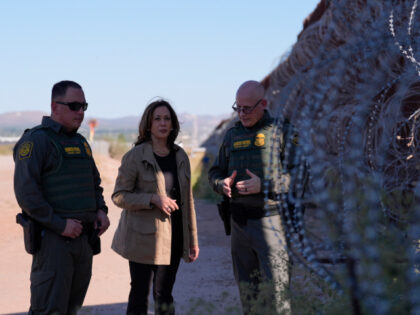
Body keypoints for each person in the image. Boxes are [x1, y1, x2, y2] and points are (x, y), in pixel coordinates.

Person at [13, 80, 110, 314]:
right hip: (54, 241)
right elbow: (27, 194)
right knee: (48, 309)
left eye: (84, 106)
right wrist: (60, 224)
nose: (80, 112)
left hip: (84, 241)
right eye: (74, 105)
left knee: (71, 309)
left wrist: (101, 210)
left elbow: (94, 182)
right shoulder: (37, 141)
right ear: (55, 106)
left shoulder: (80, 142)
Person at [208, 80, 297, 314]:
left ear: (264, 104)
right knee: (249, 297)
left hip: (272, 224)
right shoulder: (232, 135)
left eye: (247, 108)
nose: (242, 113)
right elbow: (216, 171)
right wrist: (221, 184)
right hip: (239, 225)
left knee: (277, 298)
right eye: (238, 108)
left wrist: (264, 185)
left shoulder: (282, 132)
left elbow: (300, 177)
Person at [111, 99, 199, 315]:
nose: (162, 123)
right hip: (143, 238)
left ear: (173, 123)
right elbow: (119, 196)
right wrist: (152, 199)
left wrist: (192, 239)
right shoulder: (134, 157)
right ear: (148, 124)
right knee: (140, 294)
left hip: (175, 236)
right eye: (157, 119)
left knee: (164, 294)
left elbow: (188, 200)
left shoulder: (180, 156)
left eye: (167, 118)